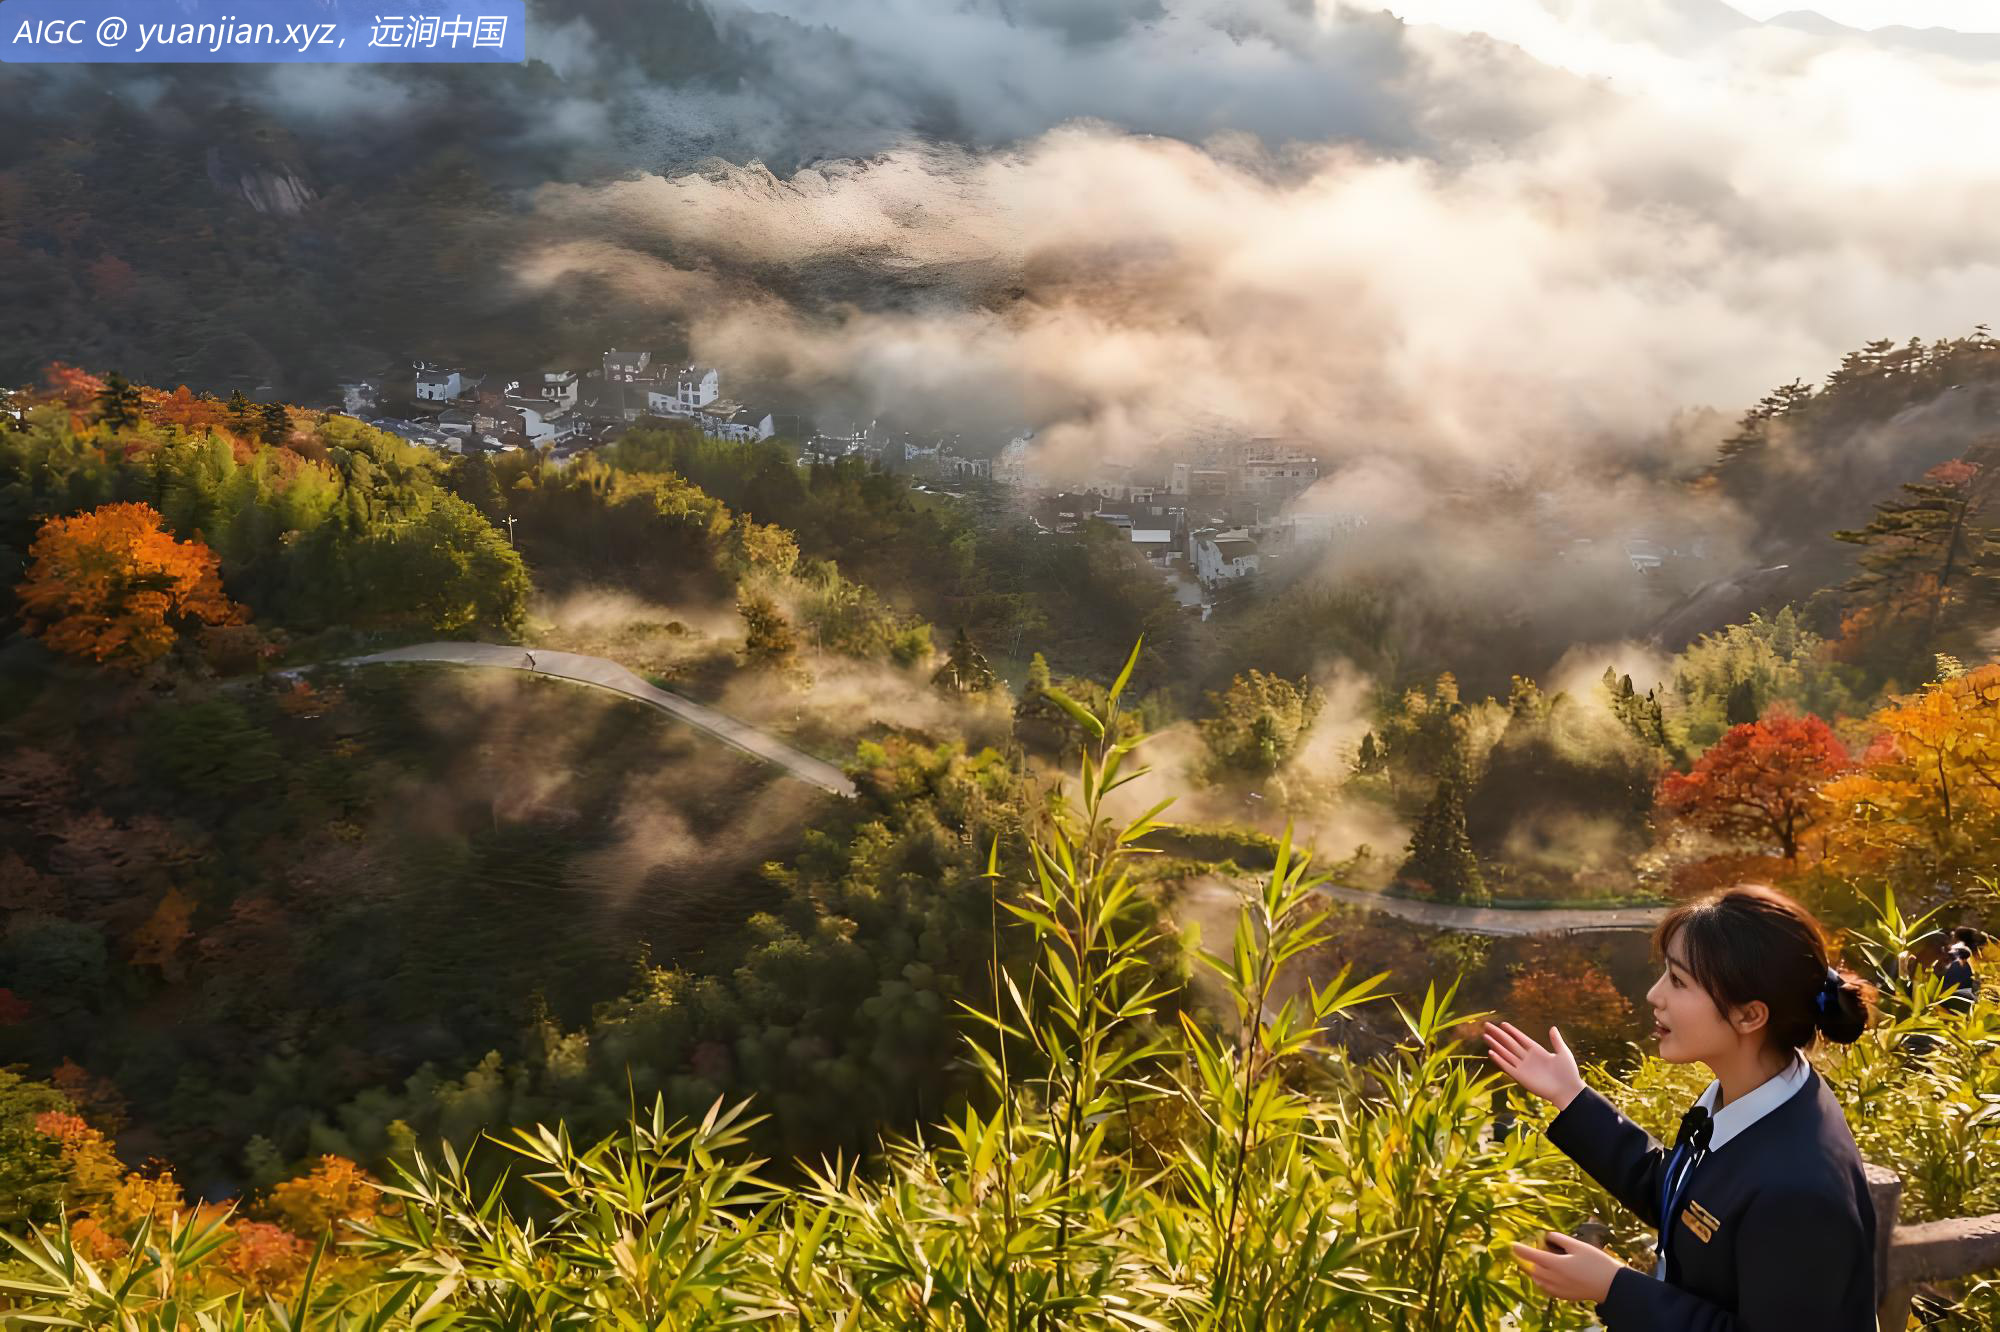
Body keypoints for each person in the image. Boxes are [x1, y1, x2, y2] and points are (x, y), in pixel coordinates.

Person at [1482, 884, 1877, 1330]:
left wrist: (1614, 1288)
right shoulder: (1754, 1095)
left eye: (1678, 981)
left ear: (1750, 1016)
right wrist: (1570, 1096)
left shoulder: (1800, 1189)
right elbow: (1687, 1201)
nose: (1655, 995)